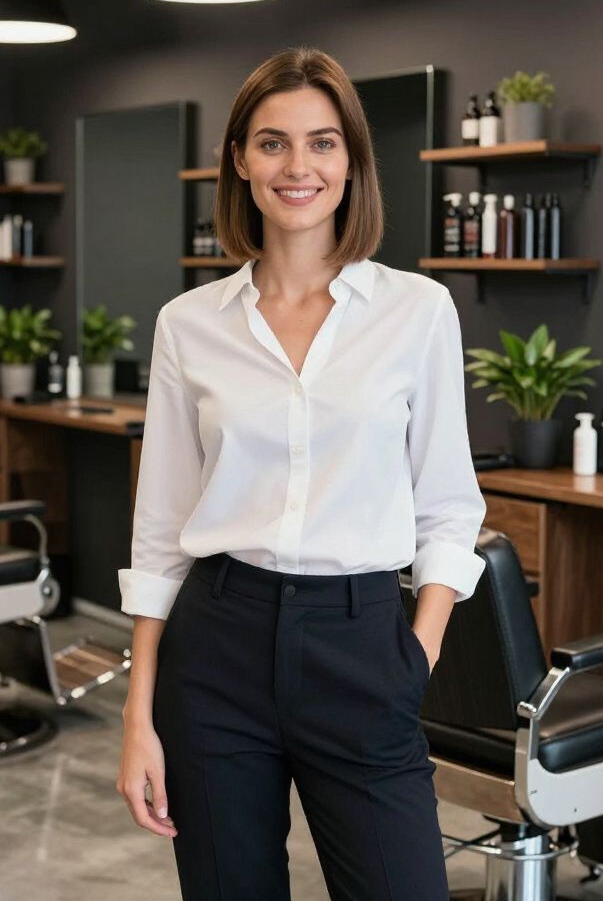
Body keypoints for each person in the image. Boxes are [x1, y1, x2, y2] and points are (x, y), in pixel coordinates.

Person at [116, 47, 486, 900]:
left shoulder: (417, 311)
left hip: (361, 644)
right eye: (273, 143)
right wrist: (139, 715)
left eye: (322, 143)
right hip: (216, 647)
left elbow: (447, 507)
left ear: (351, 160)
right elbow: (162, 529)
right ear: (241, 161)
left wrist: (414, 658)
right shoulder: (189, 325)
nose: (298, 166)